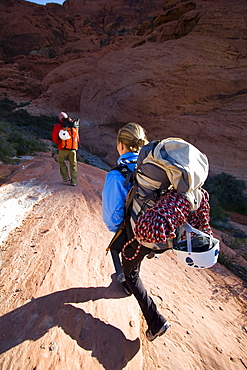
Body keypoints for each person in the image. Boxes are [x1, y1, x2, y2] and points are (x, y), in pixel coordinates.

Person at [121, 187, 212, 341]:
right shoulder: (189, 190)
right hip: (165, 236)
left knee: (130, 275)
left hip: (143, 236)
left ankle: (156, 321)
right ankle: (130, 281)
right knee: (137, 260)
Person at [102, 122, 148, 291]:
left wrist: (117, 229)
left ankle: (127, 284)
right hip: (150, 223)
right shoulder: (150, 168)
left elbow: (112, 215)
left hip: (129, 229)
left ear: (120, 145)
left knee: (118, 251)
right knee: (138, 254)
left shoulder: (116, 175)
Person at [52, 112, 79, 186]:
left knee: (61, 161)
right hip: (73, 148)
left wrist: (60, 143)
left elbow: (55, 138)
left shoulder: (58, 126)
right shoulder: (74, 125)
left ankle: (66, 177)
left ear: (59, 118)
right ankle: (74, 181)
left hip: (63, 148)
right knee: (73, 164)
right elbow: (77, 138)